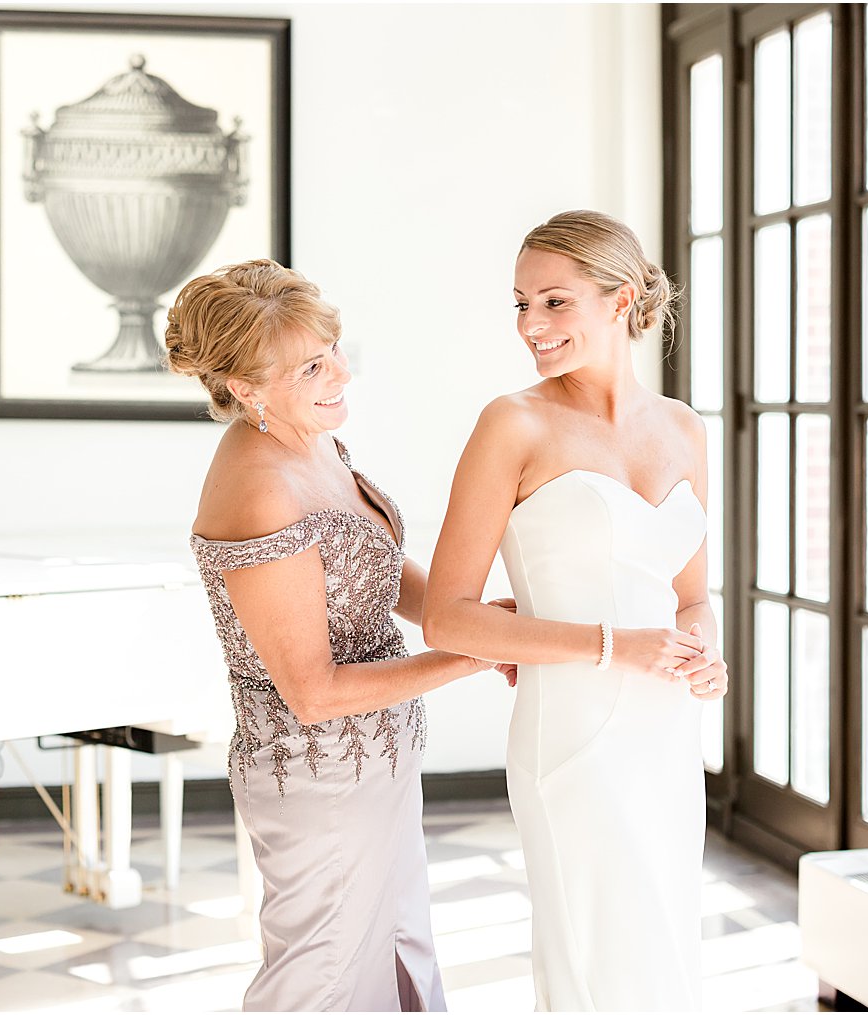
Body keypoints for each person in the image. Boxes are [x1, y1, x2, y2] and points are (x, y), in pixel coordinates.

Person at [165, 259, 508, 1012]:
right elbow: (313, 694)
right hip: (316, 779)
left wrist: (475, 615)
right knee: (320, 981)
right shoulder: (260, 485)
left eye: (335, 349)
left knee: (394, 956)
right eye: (314, 366)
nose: (341, 374)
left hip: (381, 760)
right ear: (245, 389)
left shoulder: (311, 437)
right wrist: (468, 654)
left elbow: (376, 566)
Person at [422, 210, 730, 1011]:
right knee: (595, 960)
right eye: (521, 303)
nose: (531, 324)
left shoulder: (686, 428)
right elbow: (446, 617)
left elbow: (692, 595)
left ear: (620, 300)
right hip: (573, 740)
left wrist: (705, 651)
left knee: (665, 948)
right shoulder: (512, 423)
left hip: (665, 737)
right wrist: (611, 645)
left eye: (554, 302)